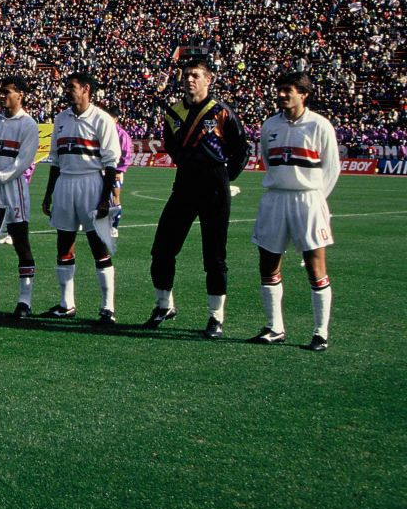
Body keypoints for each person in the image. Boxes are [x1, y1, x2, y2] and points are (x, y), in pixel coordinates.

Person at [146, 59, 250, 338]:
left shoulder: (221, 112)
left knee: (214, 256)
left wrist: (226, 179)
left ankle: (216, 317)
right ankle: (164, 305)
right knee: (162, 249)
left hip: (214, 185)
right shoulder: (173, 112)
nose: (189, 79)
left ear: (209, 79)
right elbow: (170, 143)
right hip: (184, 184)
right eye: (186, 75)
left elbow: (241, 150)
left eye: (196, 75)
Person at [250, 71, 340, 351]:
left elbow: (332, 168)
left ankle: (320, 332)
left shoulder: (319, 125)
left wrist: (316, 200)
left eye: (288, 90)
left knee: (315, 267)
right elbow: (267, 159)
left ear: (303, 94)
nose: (281, 95)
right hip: (275, 199)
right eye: (279, 89)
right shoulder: (270, 125)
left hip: (309, 200)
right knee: (268, 264)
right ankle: (275, 327)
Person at [41, 72, 122, 325]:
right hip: (65, 182)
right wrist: (49, 194)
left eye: (72, 86)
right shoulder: (61, 118)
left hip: (90, 182)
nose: (67, 90)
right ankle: (66, 304)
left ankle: (108, 308)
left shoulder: (101, 119)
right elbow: (55, 160)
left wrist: (104, 197)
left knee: (98, 246)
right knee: (64, 244)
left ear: (86, 89)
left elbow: (111, 163)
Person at [0, 77, 40, 318]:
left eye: (7, 92)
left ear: (20, 95)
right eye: (1, 92)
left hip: (12, 191)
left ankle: (24, 301)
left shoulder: (28, 124)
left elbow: (22, 162)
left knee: (21, 243)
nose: (2, 96)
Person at [105, 105, 133, 240]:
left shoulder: (122, 134)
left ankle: (114, 227)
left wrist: (119, 170)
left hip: (114, 171)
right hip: (101, 169)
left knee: (115, 197)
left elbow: (126, 153)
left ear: (115, 119)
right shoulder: (103, 132)